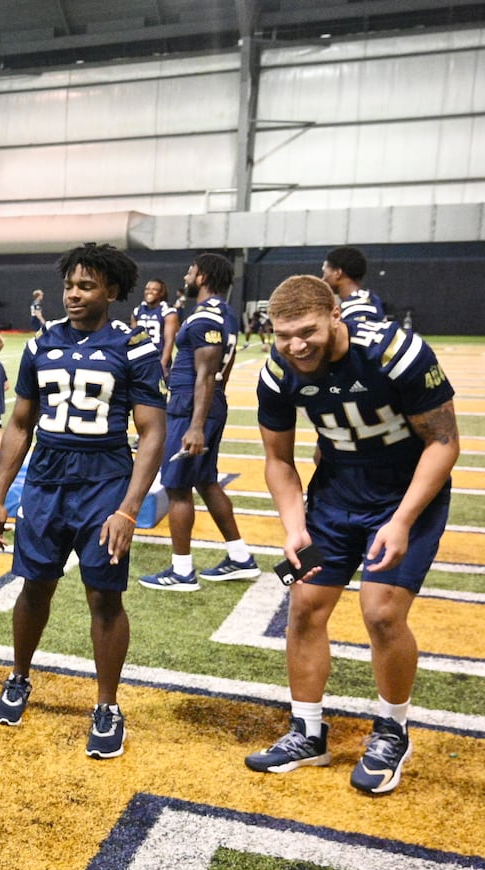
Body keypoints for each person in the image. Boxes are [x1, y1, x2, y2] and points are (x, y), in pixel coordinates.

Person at [245, 275, 457, 794]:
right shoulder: (278, 371)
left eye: (308, 331)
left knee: (382, 613)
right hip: (336, 495)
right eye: (284, 334)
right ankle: (307, 732)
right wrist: (294, 526)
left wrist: (403, 519)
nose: (296, 345)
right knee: (305, 606)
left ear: (335, 315)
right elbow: (277, 459)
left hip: (406, 492)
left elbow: (445, 442)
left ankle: (392, 729)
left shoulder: (394, 352)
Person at [0, 243, 166, 758]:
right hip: (45, 479)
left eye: (86, 286)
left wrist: (128, 509)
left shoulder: (132, 346)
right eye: (70, 285)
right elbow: (20, 422)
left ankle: (107, 704)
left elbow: (152, 433)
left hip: (104, 480)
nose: (74, 294)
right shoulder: (42, 343)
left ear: (111, 291)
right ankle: (19, 675)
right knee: (34, 584)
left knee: (104, 595)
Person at [140, 253, 259, 591]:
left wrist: (195, 425)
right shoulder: (226, 312)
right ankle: (240, 557)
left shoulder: (206, 316)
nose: (186, 276)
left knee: (177, 487)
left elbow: (206, 375)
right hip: (206, 405)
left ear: (203, 276)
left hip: (193, 407)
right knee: (206, 482)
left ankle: (181, 572)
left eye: (190, 270)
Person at [321, 246, 385, 328]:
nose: (323, 279)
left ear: (338, 273)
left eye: (324, 273)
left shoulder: (357, 308)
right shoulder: (368, 298)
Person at [131, 279, 180, 371]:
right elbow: (133, 338)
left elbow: (169, 340)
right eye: (147, 289)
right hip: (141, 358)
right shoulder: (138, 311)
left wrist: (163, 363)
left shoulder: (167, 312)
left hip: (158, 357)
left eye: (154, 289)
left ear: (161, 293)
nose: (149, 292)